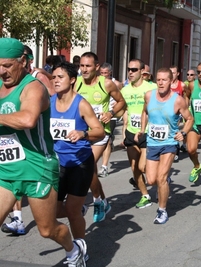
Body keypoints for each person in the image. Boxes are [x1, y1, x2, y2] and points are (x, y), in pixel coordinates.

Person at [0, 37, 86, 266]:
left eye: (7, 65)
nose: (2, 71)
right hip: (6, 169)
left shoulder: (33, 87)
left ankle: (74, 249)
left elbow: (27, 119)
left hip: (37, 167)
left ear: (22, 62)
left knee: (47, 230)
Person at [51, 62, 105, 262]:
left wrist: (83, 133)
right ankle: (78, 212)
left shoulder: (81, 103)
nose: (55, 80)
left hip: (80, 163)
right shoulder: (48, 102)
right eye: (53, 77)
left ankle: (80, 248)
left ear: (72, 80)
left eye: (60, 77)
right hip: (57, 165)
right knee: (55, 211)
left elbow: (99, 131)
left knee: (72, 210)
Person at [136, 68, 194, 224]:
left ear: (171, 81)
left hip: (169, 143)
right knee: (151, 180)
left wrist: (184, 132)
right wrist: (142, 129)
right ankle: (165, 182)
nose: (161, 83)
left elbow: (189, 119)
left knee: (160, 178)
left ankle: (162, 211)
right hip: (153, 142)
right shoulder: (149, 96)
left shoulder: (178, 100)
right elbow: (144, 112)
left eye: (164, 80)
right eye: (159, 80)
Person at [75, 52, 126, 223]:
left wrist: (111, 113)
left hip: (100, 134)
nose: (84, 69)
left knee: (86, 167)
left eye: (88, 66)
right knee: (91, 172)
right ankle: (104, 201)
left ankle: (95, 202)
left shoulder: (107, 84)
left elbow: (121, 102)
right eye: (82, 66)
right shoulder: (77, 83)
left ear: (96, 67)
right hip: (82, 134)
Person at [121, 59, 157, 208]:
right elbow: (124, 111)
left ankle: (160, 176)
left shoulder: (152, 87)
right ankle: (145, 195)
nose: (130, 72)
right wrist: (124, 133)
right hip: (131, 132)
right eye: (129, 69)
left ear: (142, 71)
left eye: (134, 69)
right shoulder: (124, 90)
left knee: (143, 168)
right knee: (134, 168)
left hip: (147, 132)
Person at [98, 62, 123, 177]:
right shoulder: (96, 82)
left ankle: (104, 167)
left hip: (111, 116)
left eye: (105, 73)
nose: (103, 75)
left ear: (110, 73)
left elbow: (122, 100)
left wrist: (115, 112)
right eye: (101, 73)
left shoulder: (116, 84)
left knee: (106, 140)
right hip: (98, 115)